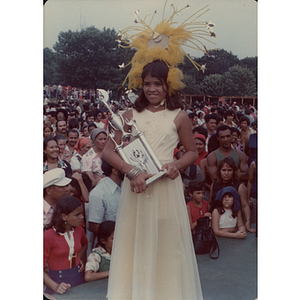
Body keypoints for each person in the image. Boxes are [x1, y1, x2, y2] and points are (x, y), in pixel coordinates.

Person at [102, 60, 202, 299]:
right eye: (147, 84)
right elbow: (107, 151)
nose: (152, 89)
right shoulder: (129, 115)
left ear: (168, 86)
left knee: (167, 245)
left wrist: (176, 164)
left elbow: (192, 152)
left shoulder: (179, 116)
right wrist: (131, 171)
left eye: (158, 84)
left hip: (166, 188)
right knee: (137, 243)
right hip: (136, 188)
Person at [43, 196, 88, 295]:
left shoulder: (79, 231)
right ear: (64, 217)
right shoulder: (48, 236)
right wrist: (55, 287)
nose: (82, 217)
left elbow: (85, 244)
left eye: (81, 213)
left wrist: (77, 258)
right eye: (77, 215)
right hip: (56, 284)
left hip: (78, 279)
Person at [208, 157, 255, 233]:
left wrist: (248, 221)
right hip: (216, 222)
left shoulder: (240, 186)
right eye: (224, 170)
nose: (226, 173)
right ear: (219, 171)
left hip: (232, 223)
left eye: (229, 170)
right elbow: (210, 203)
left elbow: (245, 205)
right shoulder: (214, 184)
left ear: (234, 171)